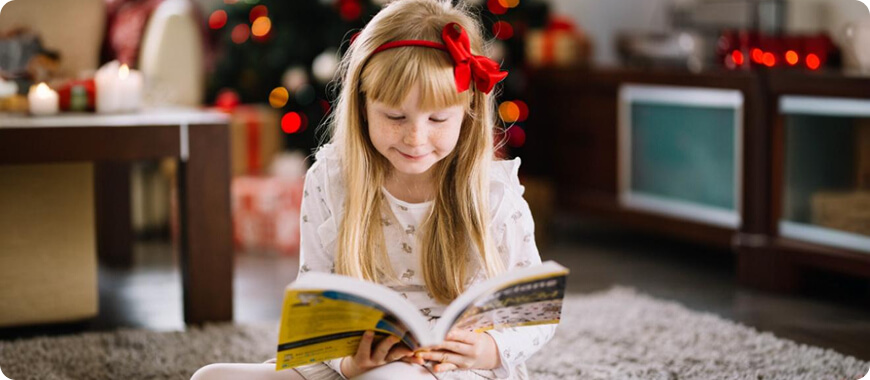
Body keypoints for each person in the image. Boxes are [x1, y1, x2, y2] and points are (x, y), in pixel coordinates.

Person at [191, 0, 555, 379]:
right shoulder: (331, 179)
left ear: (467, 114)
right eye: (395, 117)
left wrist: (490, 349)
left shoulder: (492, 191)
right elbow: (313, 299)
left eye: (438, 119)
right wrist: (347, 363)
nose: (415, 137)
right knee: (210, 377)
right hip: (349, 364)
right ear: (363, 106)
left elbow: (536, 311)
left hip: (453, 369)